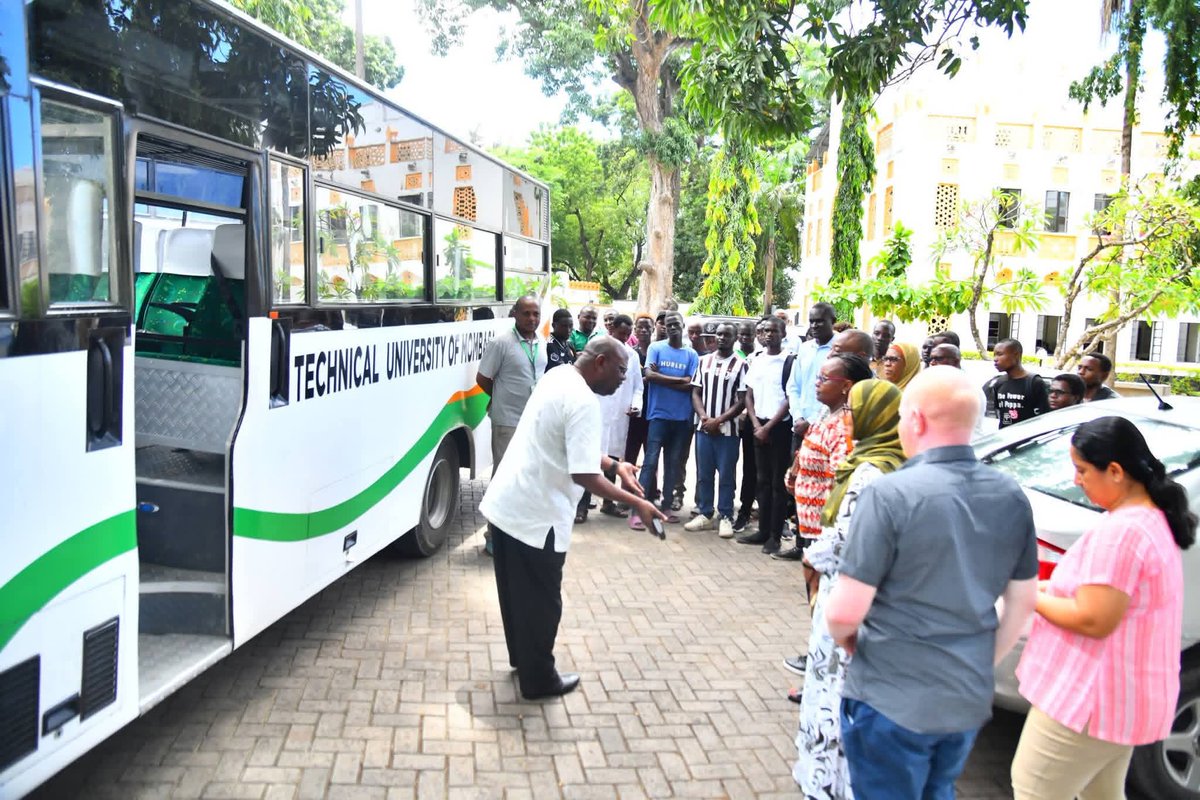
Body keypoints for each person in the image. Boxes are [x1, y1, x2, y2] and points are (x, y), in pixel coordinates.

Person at [823, 366, 1040, 799]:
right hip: (965, 694)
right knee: (938, 789)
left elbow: (844, 613)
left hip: (890, 694)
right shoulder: (1010, 494)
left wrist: (851, 643)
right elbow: (1022, 605)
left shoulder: (890, 494)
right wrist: (980, 659)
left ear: (917, 420)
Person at [1011, 416, 1195, 800]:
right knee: (1102, 794)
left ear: (1114, 471)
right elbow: (1099, 595)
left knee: (1034, 789)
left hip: (1089, 700)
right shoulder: (1143, 519)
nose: (1076, 480)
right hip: (1117, 698)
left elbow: (1093, 618)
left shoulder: (1124, 531)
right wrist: (1044, 588)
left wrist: (1029, 597)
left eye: (1081, 470)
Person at [480, 338, 666, 700]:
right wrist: (636, 504)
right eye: (621, 371)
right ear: (600, 362)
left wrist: (615, 464)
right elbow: (583, 475)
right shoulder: (583, 401)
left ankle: (524, 660)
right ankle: (540, 680)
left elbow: (571, 445)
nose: (622, 380)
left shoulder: (559, 375)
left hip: (508, 507)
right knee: (543, 602)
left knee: (515, 595)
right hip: (537, 517)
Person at [793, 379, 906, 798]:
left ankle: (828, 786)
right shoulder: (893, 459)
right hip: (872, 594)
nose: (848, 420)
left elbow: (846, 538)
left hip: (849, 592)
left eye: (855, 412)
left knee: (834, 695)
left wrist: (811, 556)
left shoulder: (871, 471)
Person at [477, 295, 547, 555]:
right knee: (503, 478)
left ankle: (517, 533)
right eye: (526, 313)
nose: (532, 319)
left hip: (533, 421)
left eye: (536, 314)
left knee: (527, 478)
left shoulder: (541, 342)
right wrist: (499, 399)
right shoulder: (501, 343)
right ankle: (493, 536)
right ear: (515, 314)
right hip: (507, 420)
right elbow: (483, 378)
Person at [634, 311, 699, 529]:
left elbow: (691, 384)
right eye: (668, 325)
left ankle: (667, 507)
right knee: (650, 462)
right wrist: (679, 379)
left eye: (675, 324)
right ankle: (639, 509)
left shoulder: (691, 355)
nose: (672, 328)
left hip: (681, 419)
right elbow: (649, 377)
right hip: (658, 416)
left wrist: (663, 378)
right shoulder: (656, 348)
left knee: (673, 464)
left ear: (682, 325)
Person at [684, 323, 747, 537]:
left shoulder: (741, 364)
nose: (722, 338)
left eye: (727, 334)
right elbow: (695, 393)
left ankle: (726, 516)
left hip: (727, 431)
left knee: (727, 475)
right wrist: (704, 418)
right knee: (704, 473)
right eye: (719, 334)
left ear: (735, 337)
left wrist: (718, 420)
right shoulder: (704, 361)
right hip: (704, 428)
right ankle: (705, 513)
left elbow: (742, 401)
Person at [739, 316, 794, 554]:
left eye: (774, 331)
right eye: (765, 331)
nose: (769, 335)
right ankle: (762, 530)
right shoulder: (758, 360)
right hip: (757, 425)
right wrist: (755, 424)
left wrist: (768, 427)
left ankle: (774, 535)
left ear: (783, 333)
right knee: (761, 481)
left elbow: (789, 399)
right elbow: (749, 395)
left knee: (777, 483)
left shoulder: (790, 361)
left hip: (778, 428)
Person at [593, 315, 644, 520]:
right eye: (621, 333)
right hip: (597, 411)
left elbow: (638, 387)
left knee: (612, 458)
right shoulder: (597, 349)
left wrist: (636, 405)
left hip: (619, 416)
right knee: (591, 457)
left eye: (627, 334)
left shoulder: (632, 356)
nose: (624, 337)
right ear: (611, 329)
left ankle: (607, 502)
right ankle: (580, 504)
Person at [787, 303, 837, 445]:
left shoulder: (840, 349)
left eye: (820, 321)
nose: (814, 325)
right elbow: (793, 386)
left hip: (827, 429)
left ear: (833, 321)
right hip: (799, 428)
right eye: (812, 321)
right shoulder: (804, 348)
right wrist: (798, 417)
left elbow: (840, 394)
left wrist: (811, 421)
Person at [986, 338, 1049, 428]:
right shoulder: (999, 383)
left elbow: (1045, 416)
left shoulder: (1034, 383)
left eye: (1000, 354)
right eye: (994, 355)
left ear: (1016, 355)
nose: (995, 359)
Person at [733, 320, 760, 532]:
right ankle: (743, 510)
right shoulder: (738, 357)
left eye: (749, 334)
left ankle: (765, 512)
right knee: (747, 467)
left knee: (765, 470)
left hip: (764, 421)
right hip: (740, 420)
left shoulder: (761, 357)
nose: (745, 338)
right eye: (742, 334)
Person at [929, 343, 988, 436]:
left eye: (938, 359)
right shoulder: (940, 384)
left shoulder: (967, 388)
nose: (932, 363)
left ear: (956, 362)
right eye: (931, 359)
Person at [623, 314, 655, 470]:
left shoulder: (657, 352)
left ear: (653, 329)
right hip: (634, 411)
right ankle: (627, 488)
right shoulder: (629, 354)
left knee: (651, 455)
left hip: (653, 410)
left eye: (647, 327)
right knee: (630, 453)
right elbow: (627, 382)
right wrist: (648, 378)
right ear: (634, 330)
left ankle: (650, 490)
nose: (643, 330)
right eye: (640, 327)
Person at [546, 308, 576, 373]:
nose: (568, 330)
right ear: (554, 325)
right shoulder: (549, 345)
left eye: (571, 326)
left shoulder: (569, 344)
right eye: (564, 326)